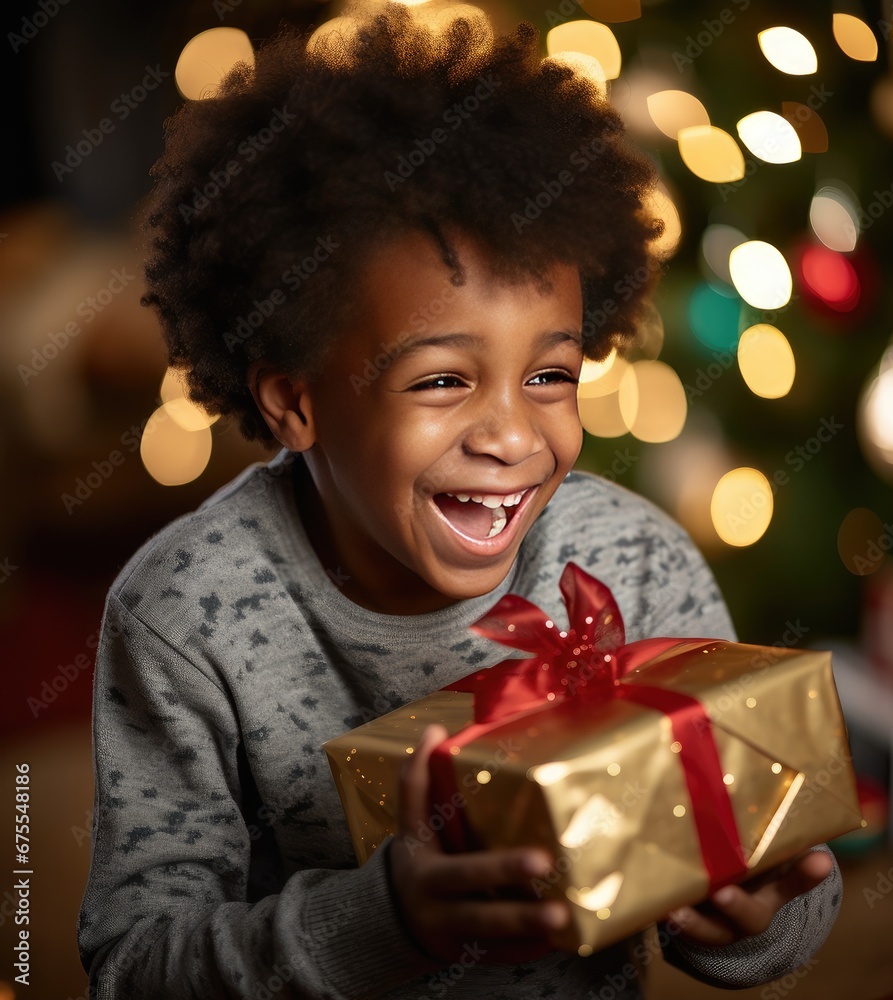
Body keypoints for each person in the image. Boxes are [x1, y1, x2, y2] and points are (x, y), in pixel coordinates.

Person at [78, 3, 842, 997]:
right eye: (442, 381)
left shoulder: (632, 561)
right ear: (296, 399)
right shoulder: (184, 615)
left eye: (550, 375)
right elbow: (134, 968)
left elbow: (771, 871)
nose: (515, 437)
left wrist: (751, 917)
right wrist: (383, 920)